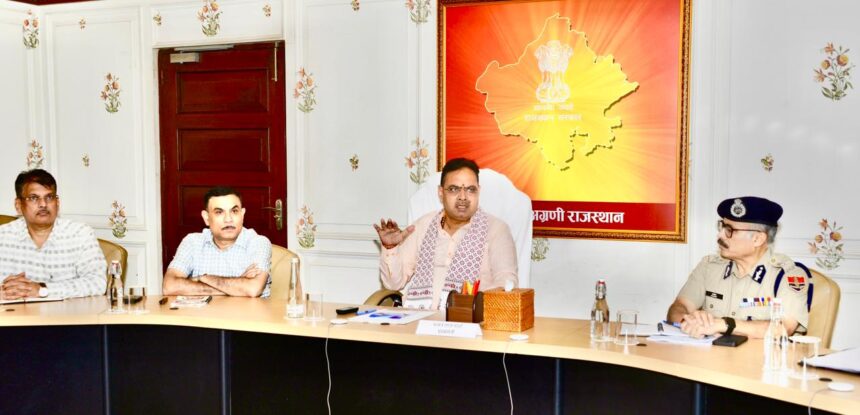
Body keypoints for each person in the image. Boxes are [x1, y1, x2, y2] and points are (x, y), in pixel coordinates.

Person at [374, 158, 517, 310]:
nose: (463, 197)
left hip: (471, 320)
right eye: (454, 189)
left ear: (478, 192)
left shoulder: (497, 230)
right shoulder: (422, 226)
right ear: (441, 193)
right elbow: (393, 284)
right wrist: (390, 248)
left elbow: (506, 287)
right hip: (417, 318)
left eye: (470, 189)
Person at [667, 196, 810, 338]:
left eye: (729, 230)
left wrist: (723, 325)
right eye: (722, 226)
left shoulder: (788, 275)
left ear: (757, 239)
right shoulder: (709, 267)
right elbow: (678, 307)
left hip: (759, 353)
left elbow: (783, 328)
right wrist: (689, 322)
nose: (720, 235)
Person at [0, 169, 106, 300]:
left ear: (57, 203)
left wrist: (42, 290)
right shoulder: (3, 236)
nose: (43, 204)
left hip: (65, 313)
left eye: (49, 197)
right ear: (18, 205)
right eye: (34, 198)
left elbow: (97, 283)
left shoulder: (80, 234)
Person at [162, 186, 272, 297]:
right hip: (202, 309)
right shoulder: (192, 242)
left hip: (246, 309)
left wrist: (203, 278)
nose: (228, 219)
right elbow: (169, 286)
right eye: (219, 212)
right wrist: (237, 285)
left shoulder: (258, 242)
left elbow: (253, 289)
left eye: (234, 211)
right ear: (206, 218)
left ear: (242, 215)